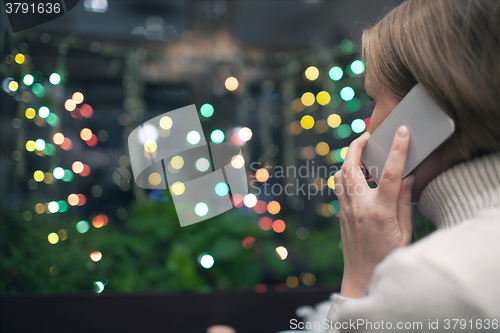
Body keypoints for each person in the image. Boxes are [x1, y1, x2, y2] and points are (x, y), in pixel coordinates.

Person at [326, 0, 500, 331]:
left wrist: (363, 276)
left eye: (374, 99)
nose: (368, 127)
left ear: (429, 111)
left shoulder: (436, 279)